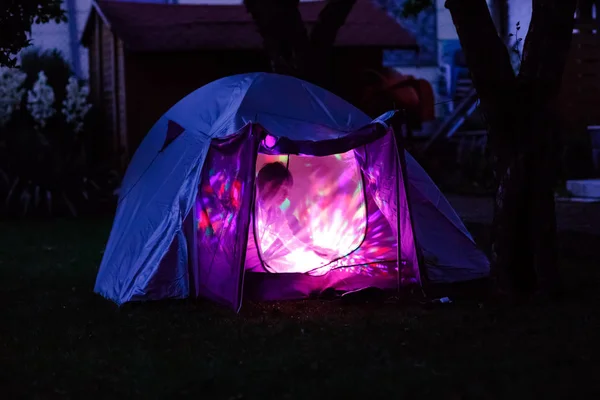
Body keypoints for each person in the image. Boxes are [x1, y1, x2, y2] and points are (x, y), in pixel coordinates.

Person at [255, 162, 335, 264]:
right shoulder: (249, 209)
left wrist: (313, 251)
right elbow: (249, 252)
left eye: (288, 191)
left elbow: (290, 240)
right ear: (268, 185)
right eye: (283, 189)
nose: (286, 195)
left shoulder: (277, 214)